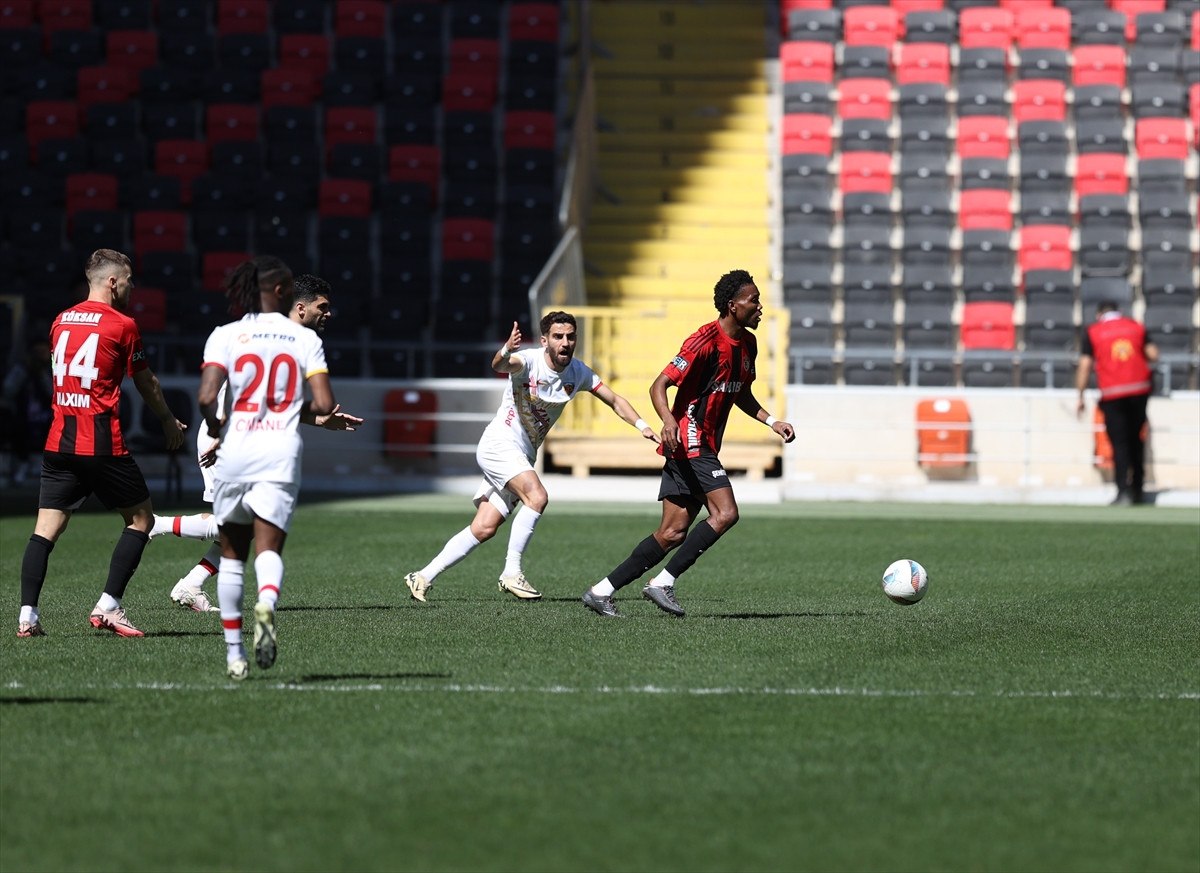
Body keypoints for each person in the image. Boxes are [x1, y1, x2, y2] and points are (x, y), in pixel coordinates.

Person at [403, 311, 659, 602]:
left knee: (485, 527)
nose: (565, 342)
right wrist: (505, 350)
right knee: (537, 496)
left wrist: (642, 426)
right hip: (499, 444)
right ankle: (512, 572)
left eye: (570, 337)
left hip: (522, 455)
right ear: (544, 340)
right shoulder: (528, 361)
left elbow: (614, 399)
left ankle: (422, 576)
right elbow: (501, 364)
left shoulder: (579, 373)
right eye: (558, 337)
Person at [582, 269, 795, 618]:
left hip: (704, 443)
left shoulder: (749, 344)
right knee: (726, 513)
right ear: (732, 305)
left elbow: (739, 392)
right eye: (753, 300)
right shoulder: (704, 340)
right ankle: (662, 582)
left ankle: (600, 591)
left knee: (672, 532)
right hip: (690, 439)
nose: (760, 308)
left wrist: (772, 421)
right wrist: (669, 421)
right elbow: (658, 385)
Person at [152, 274, 363, 613]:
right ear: (300, 307)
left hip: (245, 434)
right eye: (323, 307)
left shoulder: (290, 339)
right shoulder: (281, 341)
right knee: (239, 524)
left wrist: (321, 420)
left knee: (246, 526)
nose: (328, 313)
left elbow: (277, 402)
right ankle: (155, 525)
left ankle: (191, 584)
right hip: (230, 433)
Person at [16, 249, 187, 638]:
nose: (131, 287)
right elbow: (146, 381)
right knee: (142, 519)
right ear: (113, 282)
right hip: (101, 444)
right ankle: (109, 606)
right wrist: (166, 419)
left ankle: (27, 616)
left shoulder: (60, 321)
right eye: (128, 280)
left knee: (45, 529)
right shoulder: (123, 325)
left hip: (59, 442)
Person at [198, 256, 336, 681]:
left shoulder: (225, 334)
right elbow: (325, 404)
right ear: (280, 292)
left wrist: (219, 427)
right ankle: (268, 604)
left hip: (236, 449)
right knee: (269, 549)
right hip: (278, 451)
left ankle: (234, 656)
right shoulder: (302, 340)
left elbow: (207, 397)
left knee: (232, 555)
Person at [1076, 299, 1159, 506]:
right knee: (1137, 440)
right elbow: (1153, 354)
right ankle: (1138, 489)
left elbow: (1085, 365)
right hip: (1139, 391)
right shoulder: (1136, 327)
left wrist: (1080, 395)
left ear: (1099, 314)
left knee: (1119, 444)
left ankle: (1123, 492)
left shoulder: (1094, 331)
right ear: (1119, 312)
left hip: (1113, 394)